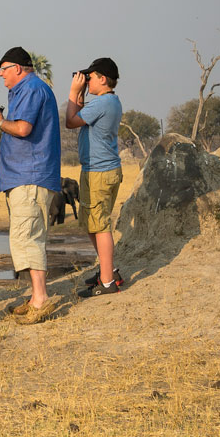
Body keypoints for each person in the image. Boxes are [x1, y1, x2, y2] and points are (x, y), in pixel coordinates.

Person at [0, 46, 62, 324]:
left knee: (26, 237)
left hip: (30, 175)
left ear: (18, 68)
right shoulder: (27, 89)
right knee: (28, 236)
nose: (1, 75)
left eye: (3, 69)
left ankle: (40, 299)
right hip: (26, 175)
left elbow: (22, 129)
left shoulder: (31, 89)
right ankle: (35, 296)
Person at [65, 57, 124, 298]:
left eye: (90, 77)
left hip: (100, 172)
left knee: (100, 227)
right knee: (93, 224)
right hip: (101, 170)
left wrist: (72, 92)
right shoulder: (109, 102)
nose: (87, 80)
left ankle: (108, 282)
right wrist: (79, 95)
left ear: (103, 78)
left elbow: (70, 121)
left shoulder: (102, 103)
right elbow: (79, 115)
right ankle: (108, 271)